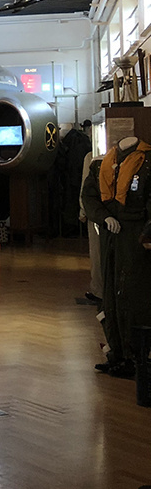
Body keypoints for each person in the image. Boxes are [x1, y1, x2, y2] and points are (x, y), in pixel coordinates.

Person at [81, 136, 151, 378]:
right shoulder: (102, 164)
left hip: (135, 237)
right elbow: (89, 196)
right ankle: (117, 352)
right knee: (110, 291)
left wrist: (145, 237)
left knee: (133, 293)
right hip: (111, 236)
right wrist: (103, 217)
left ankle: (136, 357)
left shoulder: (147, 162)